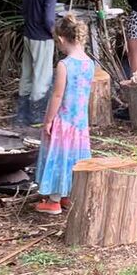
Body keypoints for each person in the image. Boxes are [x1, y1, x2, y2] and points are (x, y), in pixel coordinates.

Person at [33, 16, 94, 215]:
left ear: (60, 39)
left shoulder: (64, 65)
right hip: (80, 123)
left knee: (59, 157)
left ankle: (53, 201)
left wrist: (48, 120)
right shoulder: (89, 63)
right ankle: (68, 195)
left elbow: (58, 95)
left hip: (64, 121)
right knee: (74, 158)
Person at [17, 0, 59, 128]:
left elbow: (25, 10)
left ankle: (21, 114)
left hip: (28, 35)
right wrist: (58, 36)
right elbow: (49, 20)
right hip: (42, 38)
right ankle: (36, 116)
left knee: (26, 74)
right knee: (42, 77)